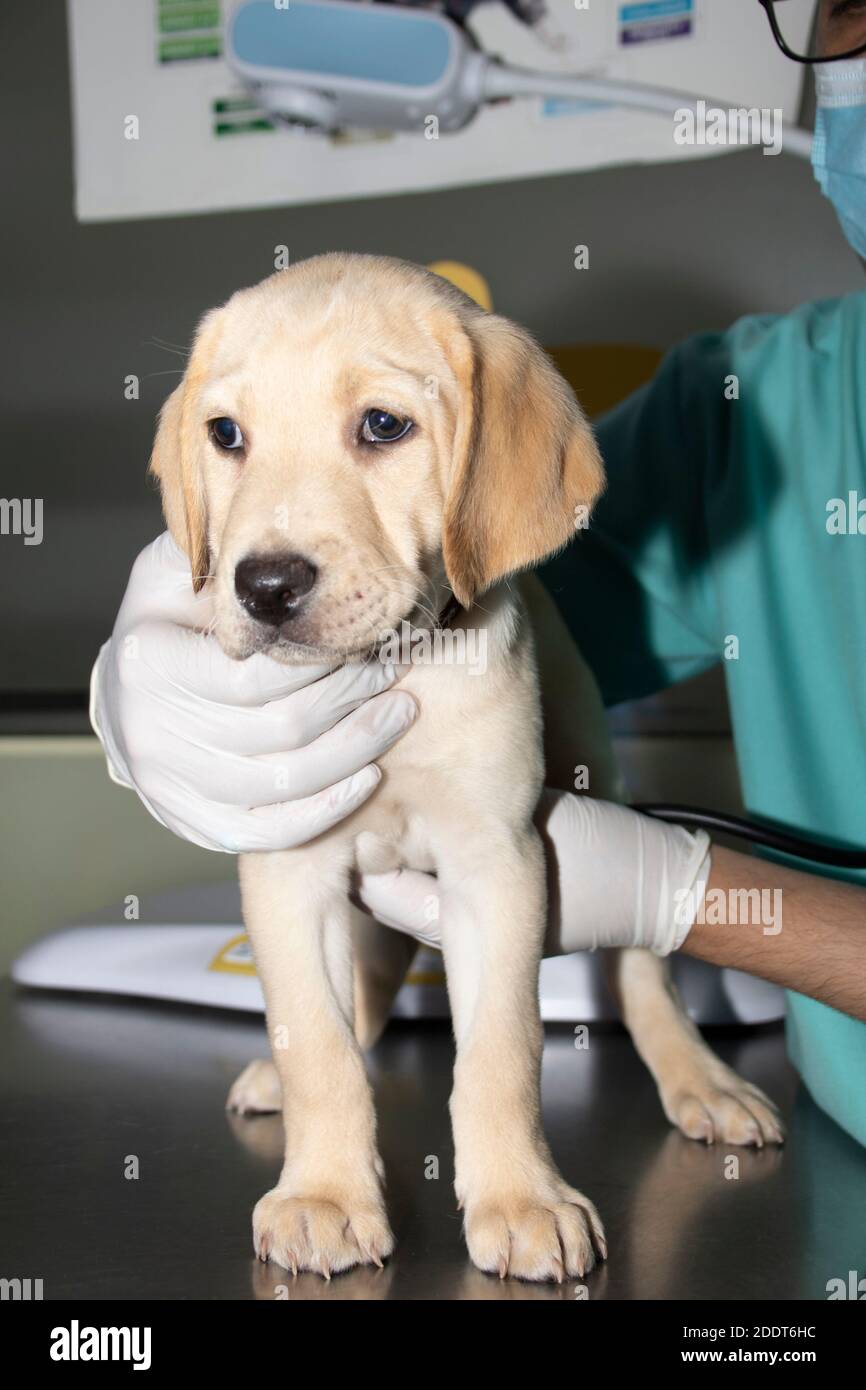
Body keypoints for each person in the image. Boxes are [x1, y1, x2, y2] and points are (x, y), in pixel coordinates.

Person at [90, 0, 866, 1144]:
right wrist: (162, 647)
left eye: (382, 427)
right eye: (848, 12)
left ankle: (651, 1021)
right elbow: (500, 559)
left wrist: (696, 901)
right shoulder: (746, 413)